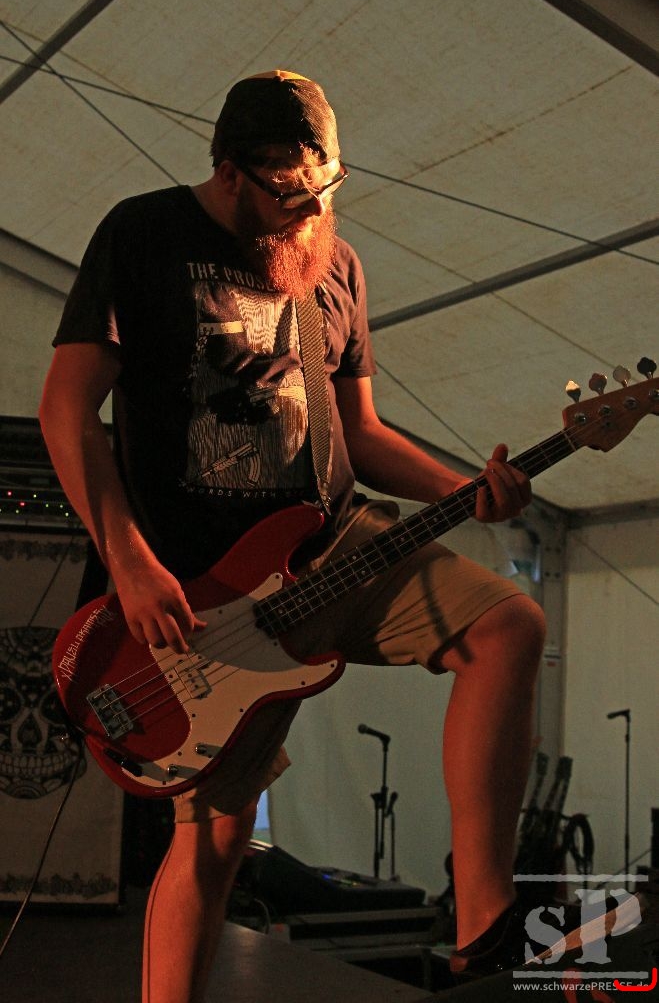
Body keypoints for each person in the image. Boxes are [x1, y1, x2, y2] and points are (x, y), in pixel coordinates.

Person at [40, 70, 545, 1001]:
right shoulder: (143, 232)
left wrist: (463, 489)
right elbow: (67, 412)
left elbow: (360, 432)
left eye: (324, 186)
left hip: (335, 545)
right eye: (285, 190)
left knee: (508, 624)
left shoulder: (334, 263)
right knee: (217, 837)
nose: (308, 209)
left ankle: (483, 918)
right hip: (205, 591)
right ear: (228, 171)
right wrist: (131, 563)